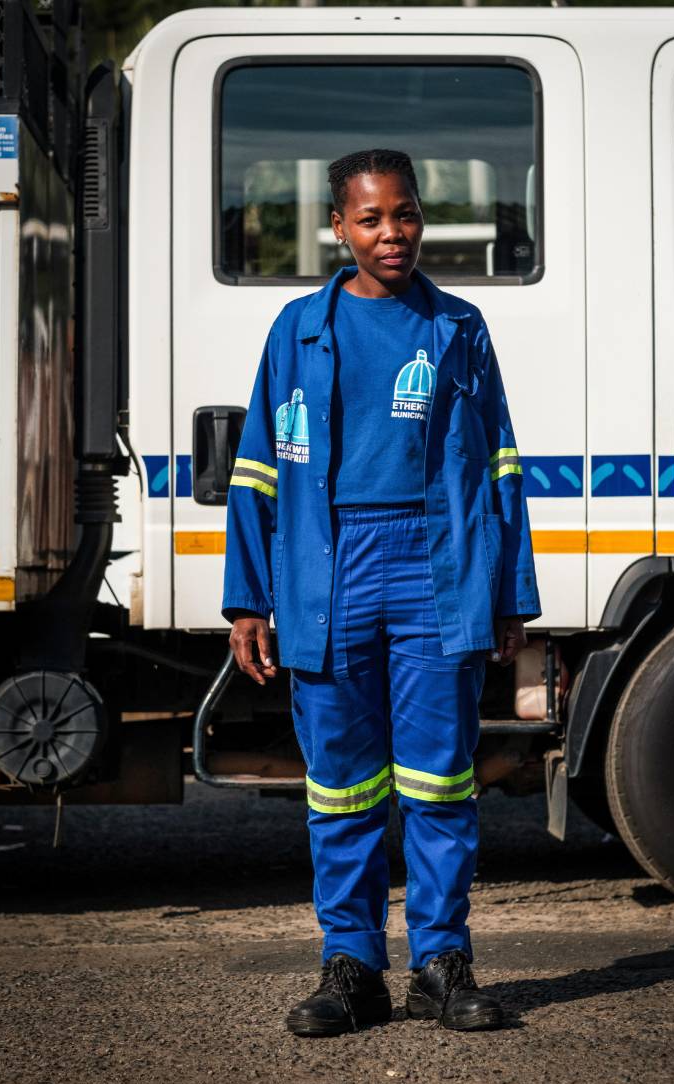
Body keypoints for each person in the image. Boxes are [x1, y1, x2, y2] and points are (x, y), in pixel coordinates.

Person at [222, 149, 541, 1036]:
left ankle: (442, 964)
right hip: (328, 570)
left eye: (404, 215)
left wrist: (509, 591)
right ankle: (353, 967)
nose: (391, 233)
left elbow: (500, 463)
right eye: (370, 219)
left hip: (434, 567)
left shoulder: (460, 326)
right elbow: (256, 467)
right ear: (339, 227)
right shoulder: (297, 329)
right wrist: (249, 597)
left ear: (419, 217)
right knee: (343, 788)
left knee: (440, 783)